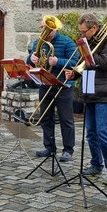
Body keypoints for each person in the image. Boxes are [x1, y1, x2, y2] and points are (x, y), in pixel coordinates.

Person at [77, 13, 107, 185]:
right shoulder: (88, 40)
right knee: (91, 133)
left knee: (103, 133)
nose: (82, 35)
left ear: (93, 28)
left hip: (104, 92)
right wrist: (73, 72)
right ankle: (96, 164)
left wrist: (89, 54)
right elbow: (83, 63)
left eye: (84, 32)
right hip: (89, 90)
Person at [27, 14, 77, 162]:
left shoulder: (67, 42)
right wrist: (31, 58)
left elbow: (75, 61)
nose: (44, 31)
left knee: (66, 119)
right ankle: (49, 147)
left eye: (47, 28)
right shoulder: (39, 42)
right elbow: (30, 58)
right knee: (45, 118)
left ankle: (68, 150)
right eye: (43, 27)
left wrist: (58, 61)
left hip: (63, 86)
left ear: (55, 29)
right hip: (45, 83)